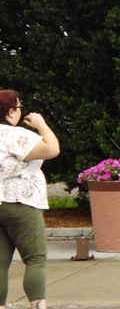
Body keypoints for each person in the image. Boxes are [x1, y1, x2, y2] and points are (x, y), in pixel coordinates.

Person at [0, 90, 60, 309]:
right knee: (35, 259)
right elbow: (52, 149)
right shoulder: (14, 135)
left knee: (0, 263)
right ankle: (37, 306)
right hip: (21, 202)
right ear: (11, 111)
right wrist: (41, 124)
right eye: (19, 107)